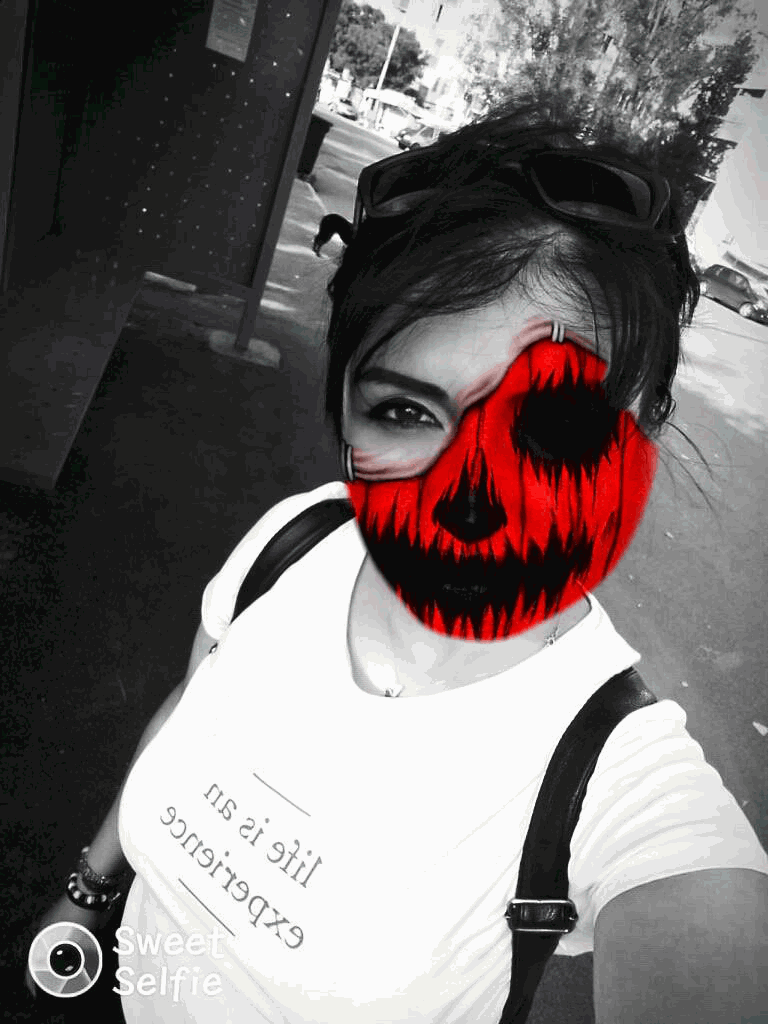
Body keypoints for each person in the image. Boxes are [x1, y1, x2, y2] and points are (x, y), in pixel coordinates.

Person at [29, 99, 768, 1023]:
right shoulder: (299, 538)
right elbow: (193, 706)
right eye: (407, 413)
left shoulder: (618, 774)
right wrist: (91, 888)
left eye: (551, 430)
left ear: (643, 429)